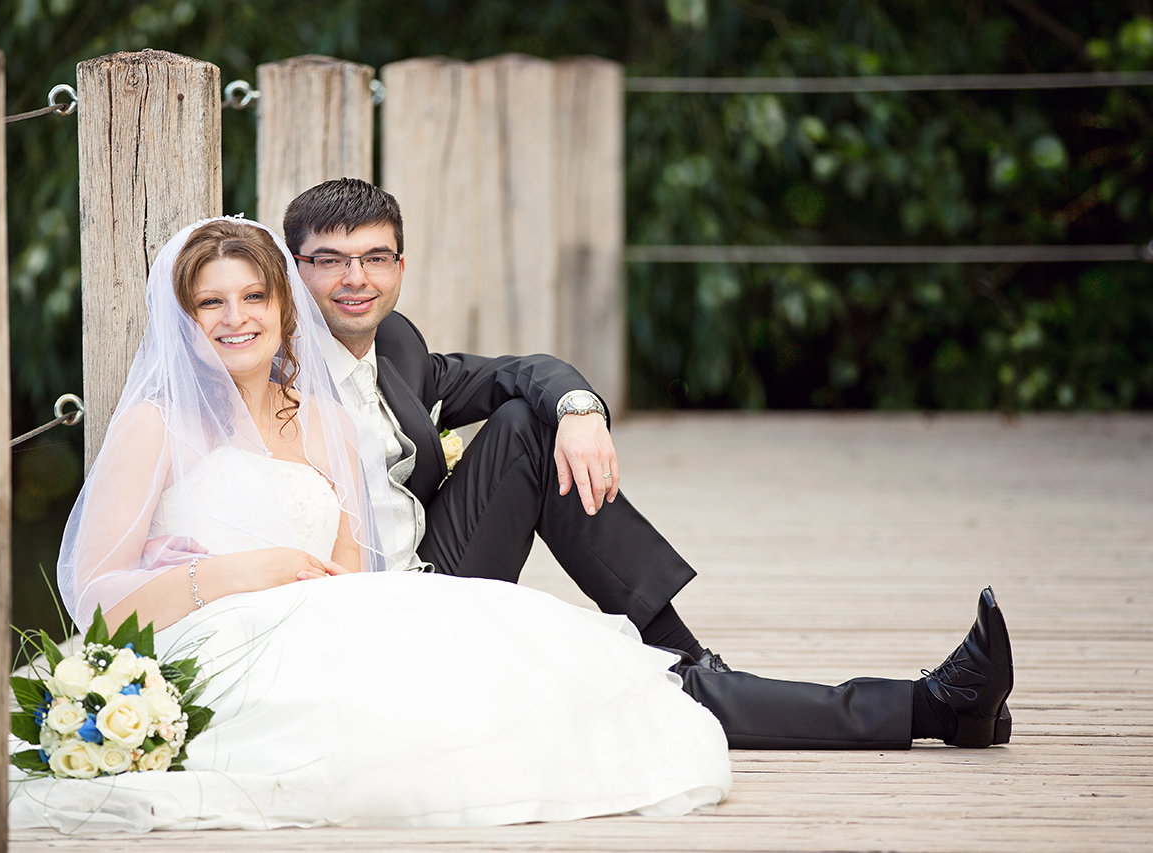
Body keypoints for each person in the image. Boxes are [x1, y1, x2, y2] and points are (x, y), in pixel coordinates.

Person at [8, 217, 733, 833]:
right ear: (185, 319)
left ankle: (685, 660)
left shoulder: (323, 419)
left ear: (284, 307)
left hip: (335, 613)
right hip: (218, 631)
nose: (237, 318)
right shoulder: (155, 425)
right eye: (211, 303)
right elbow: (96, 596)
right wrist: (239, 572)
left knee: (507, 657)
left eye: (254, 295)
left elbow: (353, 569)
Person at [281, 178, 1014, 751]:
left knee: (529, 422)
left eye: (375, 257)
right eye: (330, 261)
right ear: (293, 268)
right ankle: (929, 706)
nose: (356, 278)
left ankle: (689, 653)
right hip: (372, 625)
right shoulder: (270, 377)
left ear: (400, 266)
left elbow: (519, 371)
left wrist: (581, 410)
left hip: (432, 576)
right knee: (647, 688)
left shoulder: (397, 345)